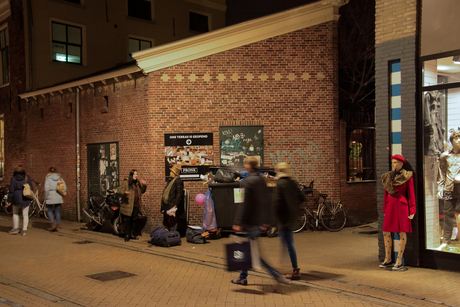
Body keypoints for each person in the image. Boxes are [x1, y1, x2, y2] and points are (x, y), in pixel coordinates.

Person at [231, 156, 289, 285]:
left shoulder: (247, 181)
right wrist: (267, 221)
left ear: (249, 166)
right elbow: (266, 202)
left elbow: (243, 204)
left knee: (253, 253)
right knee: (248, 250)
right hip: (258, 222)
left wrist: (237, 222)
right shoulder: (261, 180)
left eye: (245, 164)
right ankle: (242, 276)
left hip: (249, 222)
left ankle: (275, 275)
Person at [380, 154, 416, 271]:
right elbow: (386, 193)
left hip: (401, 205)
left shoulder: (407, 176)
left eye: (396, 162)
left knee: (402, 231)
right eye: (392, 162)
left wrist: (412, 209)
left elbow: (411, 193)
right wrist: (385, 208)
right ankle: (388, 258)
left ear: (401, 163)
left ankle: (399, 260)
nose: (393, 165)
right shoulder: (388, 176)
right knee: (386, 231)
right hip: (390, 204)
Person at [273, 162, 303, 280]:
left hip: (282, 218)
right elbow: (301, 197)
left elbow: (276, 203)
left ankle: (292, 269)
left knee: (287, 244)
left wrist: (272, 218)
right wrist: (293, 207)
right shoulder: (292, 183)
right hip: (291, 218)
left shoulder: (280, 184)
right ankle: (292, 268)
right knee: (288, 243)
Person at [437, 128, 460, 250]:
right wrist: (440, 187)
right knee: (448, 215)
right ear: (452, 140)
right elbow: (442, 173)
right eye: (456, 137)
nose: (459, 140)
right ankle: (446, 240)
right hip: (449, 187)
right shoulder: (445, 156)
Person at [119, 169, 147, 242]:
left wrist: (144, 185)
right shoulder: (126, 182)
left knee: (134, 220)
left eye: (136, 174)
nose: (136, 176)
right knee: (128, 221)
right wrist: (124, 192)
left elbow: (142, 191)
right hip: (128, 205)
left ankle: (132, 234)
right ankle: (127, 235)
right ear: (131, 175)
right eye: (134, 174)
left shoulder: (137, 183)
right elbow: (120, 191)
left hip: (136, 205)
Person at [6, 165, 34, 236]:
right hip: (25, 197)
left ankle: (16, 228)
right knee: (25, 214)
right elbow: (31, 188)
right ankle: (24, 230)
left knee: (15, 213)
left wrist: (9, 200)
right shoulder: (27, 178)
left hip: (16, 197)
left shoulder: (13, 178)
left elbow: (11, 190)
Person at [161, 164, 184, 231]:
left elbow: (179, 193)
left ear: (174, 173)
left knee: (172, 221)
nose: (170, 173)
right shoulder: (170, 180)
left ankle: (172, 235)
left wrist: (176, 204)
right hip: (167, 204)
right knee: (166, 221)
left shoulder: (178, 181)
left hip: (172, 204)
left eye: (171, 172)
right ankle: (167, 233)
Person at [44, 167, 67, 232]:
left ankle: (52, 224)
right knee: (57, 211)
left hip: (50, 196)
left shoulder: (48, 179)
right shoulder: (60, 178)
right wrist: (62, 194)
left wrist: (46, 196)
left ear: (49, 172)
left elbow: (46, 189)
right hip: (58, 196)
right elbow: (64, 188)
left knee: (49, 210)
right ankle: (57, 226)